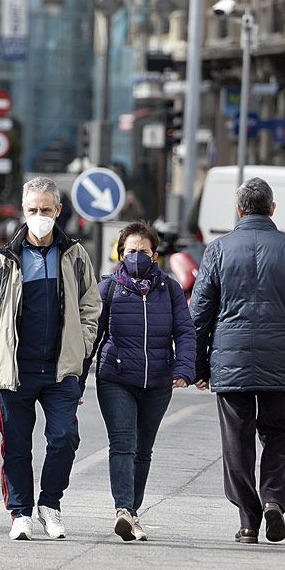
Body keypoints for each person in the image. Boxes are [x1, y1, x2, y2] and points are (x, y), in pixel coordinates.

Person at [190, 177, 285, 545]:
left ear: (238, 210)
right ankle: (272, 498)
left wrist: (196, 368)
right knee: (279, 433)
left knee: (237, 439)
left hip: (230, 362)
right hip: (281, 364)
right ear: (272, 209)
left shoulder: (218, 250)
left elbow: (200, 313)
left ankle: (248, 521)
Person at [0, 176, 101, 541]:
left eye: (45, 209)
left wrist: (81, 345)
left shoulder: (74, 256)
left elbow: (91, 306)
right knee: (17, 447)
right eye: (32, 210)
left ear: (58, 211)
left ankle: (50, 504)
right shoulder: (4, 259)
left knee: (64, 438)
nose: (39, 216)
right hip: (15, 372)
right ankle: (20, 513)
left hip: (60, 371)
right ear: (23, 212)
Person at [84, 222, 195, 541]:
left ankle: (133, 513)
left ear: (155, 255)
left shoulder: (170, 289)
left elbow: (185, 331)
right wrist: (76, 383)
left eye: (143, 251)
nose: (137, 256)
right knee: (123, 443)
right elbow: (92, 338)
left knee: (143, 449)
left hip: (159, 381)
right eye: (130, 251)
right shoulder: (107, 288)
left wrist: (184, 369)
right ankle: (123, 510)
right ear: (120, 254)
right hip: (116, 378)